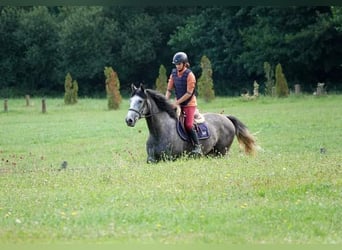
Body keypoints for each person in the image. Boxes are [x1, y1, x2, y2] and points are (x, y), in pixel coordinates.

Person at [165, 52, 202, 156]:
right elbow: (169, 90)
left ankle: (197, 146)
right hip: (178, 103)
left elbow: (189, 93)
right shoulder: (173, 74)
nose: (177, 66)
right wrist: (165, 101)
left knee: (188, 125)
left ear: (184, 63)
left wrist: (176, 103)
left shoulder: (190, 75)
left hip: (189, 104)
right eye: (176, 64)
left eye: (179, 64)